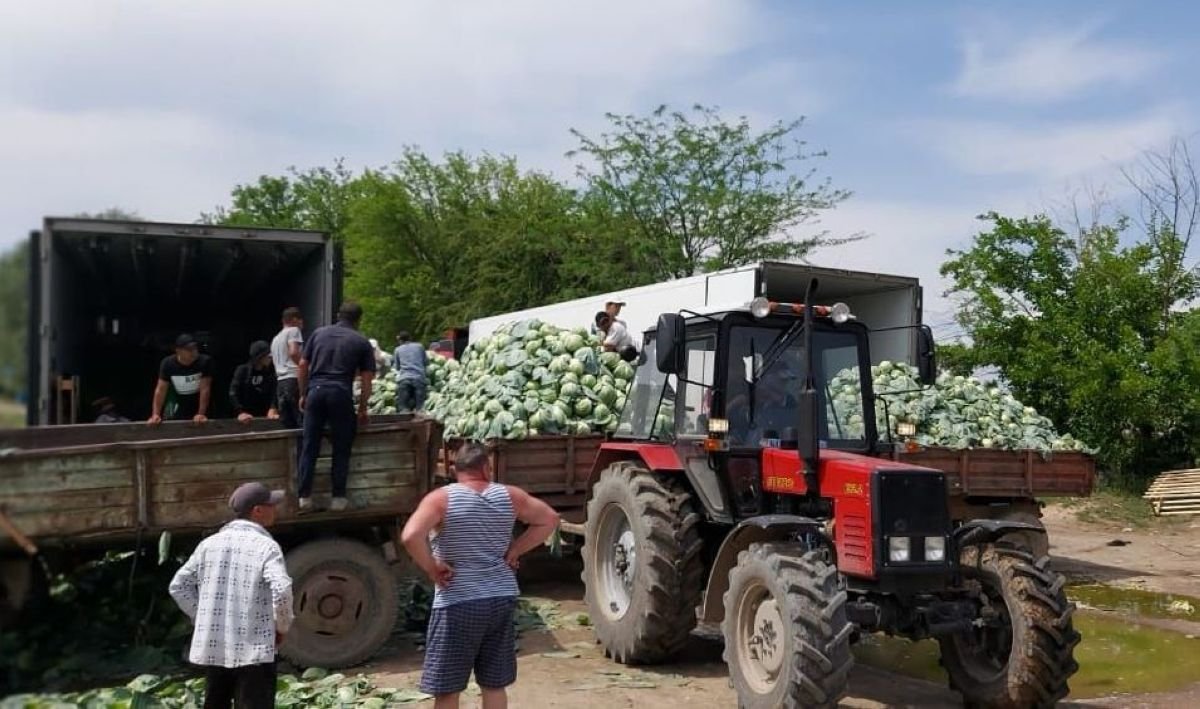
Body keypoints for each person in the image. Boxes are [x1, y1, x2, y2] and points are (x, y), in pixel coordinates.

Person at [401, 442, 559, 709]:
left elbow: (410, 536)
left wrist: (432, 567)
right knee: (494, 684)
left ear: (454, 469)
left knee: (448, 688)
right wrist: (515, 551)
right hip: (500, 599)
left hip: (458, 603)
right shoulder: (510, 496)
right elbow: (550, 519)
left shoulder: (441, 499)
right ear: (487, 467)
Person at [168, 482, 293, 709]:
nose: (276, 509)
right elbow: (282, 589)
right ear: (257, 511)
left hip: (216, 646)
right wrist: (281, 626)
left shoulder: (208, 545)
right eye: (272, 505)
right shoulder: (266, 546)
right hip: (255, 649)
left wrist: (203, 617)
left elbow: (178, 586)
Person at [296, 301, 376, 513]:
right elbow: (367, 379)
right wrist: (362, 408)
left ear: (338, 315)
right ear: (359, 319)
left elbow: (303, 365)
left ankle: (304, 497)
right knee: (341, 446)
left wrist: (303, 394)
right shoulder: (361, 341)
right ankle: (338, 498)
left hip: (316, 391)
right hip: (340, 393)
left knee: (309, 445)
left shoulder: (318, 334)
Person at [149, 334, 213, 425]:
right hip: (179, 403)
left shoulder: (205, 362)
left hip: (199, 403)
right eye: (188, 349)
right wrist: (155, 414)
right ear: (178, 350)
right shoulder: (168, 364)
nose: (193, 352)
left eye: (195, 348)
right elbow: (161, 390)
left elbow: (205, 389)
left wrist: (201, 414)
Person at [271, 307, 305, 430]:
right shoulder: (293, 331)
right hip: (293, 378)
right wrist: (305, 366)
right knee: (302, 420)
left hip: (281, 382)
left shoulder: (276, 338)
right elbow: (294, 352)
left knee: (288, 423)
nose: (302, 324)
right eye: (301, 321)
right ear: (295, 320)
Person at [230, 341, 279, 423]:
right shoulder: (243, 370)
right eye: (268, 355)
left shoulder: (271, 372)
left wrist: (273, 408)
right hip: (246, 415)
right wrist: (240, 412)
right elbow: (233, 392)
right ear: (260, 357)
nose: (271, 358)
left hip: (265, 414)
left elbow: (275, 392)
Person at [393, 331, 428, 413]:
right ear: (410, 338)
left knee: (403, 407)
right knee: (420, 408)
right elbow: (426, 362)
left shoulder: (397, 349)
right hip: (419, 378)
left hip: (404, 379)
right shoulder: (420, 346)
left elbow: (397, 367)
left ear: (400, 341)